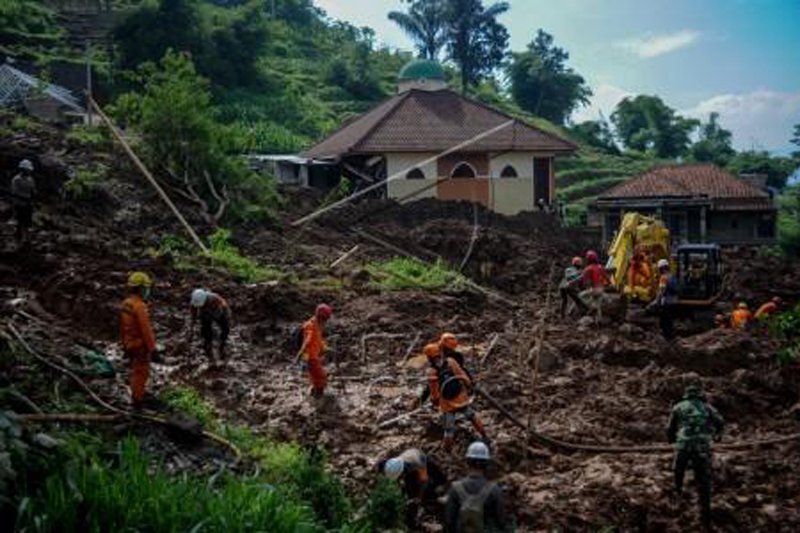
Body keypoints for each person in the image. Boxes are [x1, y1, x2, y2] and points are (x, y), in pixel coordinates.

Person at [667, 382, 725, 531]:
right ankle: (705, 508)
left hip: (683, 445)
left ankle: (678, 491)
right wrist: (718, 436)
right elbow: (720, 421)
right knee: (703, 477)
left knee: (678, 469)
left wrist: (672, 440)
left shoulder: (678, 407)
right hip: (702, 446)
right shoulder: (707, 407)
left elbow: (670, 427)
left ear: (686, 395)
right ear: (700, 395)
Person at [421, 334, 487, 450]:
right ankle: (485, 436)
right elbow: (463, 375)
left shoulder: (432, 372)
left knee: (449, 429)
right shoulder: (451, 361)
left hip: (447, 404)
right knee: (472, 416)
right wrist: (469, 385)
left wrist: (435, 402)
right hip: (460, 397)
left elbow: (434, 394)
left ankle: (447, 450)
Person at [444, 441, 508, 533]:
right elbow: (501, 522)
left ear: (468, 462)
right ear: (486, 464)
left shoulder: (455, 488)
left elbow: (449, 522)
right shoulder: (494, 490)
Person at [380, 448, 447, 528]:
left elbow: (424, 482)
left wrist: (419, 497)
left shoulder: (417, 464)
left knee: (437, 481)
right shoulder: (395, 463)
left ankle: (436, 496)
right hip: (409, 459)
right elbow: (399, 479)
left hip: (421, 459)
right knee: (411, 490)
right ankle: (412, 517)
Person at [119, 272, 157, 408]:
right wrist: (153, 349)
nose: (147, 291)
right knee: (142, 372)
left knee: (135, 370)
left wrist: (124, 344)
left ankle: (136, 394)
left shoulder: (126, 303)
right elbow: (146, 330)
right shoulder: (140, 306)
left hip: (129, 343)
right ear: (141, 288)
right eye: (146, 288)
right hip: (140, 345)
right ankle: (137, 401)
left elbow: (123, 327)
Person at [295, 303, 333, 397]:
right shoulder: (310, 326)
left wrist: (326, 348)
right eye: (325, 318)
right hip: (310, 357)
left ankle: (313, 395)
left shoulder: (317, 326)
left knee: (316, 377)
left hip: (314, 356)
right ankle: (318, 399)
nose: (325, 321)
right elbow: (307, 342)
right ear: (320, 316)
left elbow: (319, 340)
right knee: (321, 377)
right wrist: (300, 355)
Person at [189, 288, 231, 361]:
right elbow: (193, 314)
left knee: (225, 328)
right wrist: (192, 326)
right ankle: (207, 343)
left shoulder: (215, 298)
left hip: (222, 311)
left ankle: (222, 343)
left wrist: (212, 322)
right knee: (205, 328)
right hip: (206, 312)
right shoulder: (194, 302)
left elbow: (219, 312)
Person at [11, 159, 36, 246]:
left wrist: (33, 198)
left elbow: (32, 190)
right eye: (27, 170)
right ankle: (19, 239)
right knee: (20, 221)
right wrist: (25, 198)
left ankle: (27, 239)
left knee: (28, 222)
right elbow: (14, 192)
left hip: (28, 204)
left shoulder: (30, 179)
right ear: (22, 169)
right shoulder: (16, 179)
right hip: (19, 204)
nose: (28, 172)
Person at [653, 258, 679, 339]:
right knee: (670, 322)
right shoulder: (673, 276)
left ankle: (667, 340)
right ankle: (672, 337)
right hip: (674, 302)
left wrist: (656, 302)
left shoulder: (663, 278)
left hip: (667, 303)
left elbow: (661, 291)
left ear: (661, 268)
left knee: (665, 323)